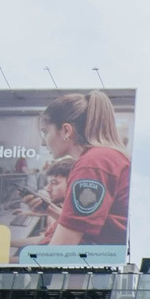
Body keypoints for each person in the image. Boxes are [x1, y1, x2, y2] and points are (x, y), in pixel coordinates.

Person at [32, 89, 131, 249]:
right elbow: (88, 225)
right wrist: (49, 209)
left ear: (66, 131)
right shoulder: (106, 157)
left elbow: (60, 251)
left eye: (46, 132)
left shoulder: (91, 164)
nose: (44, 142)